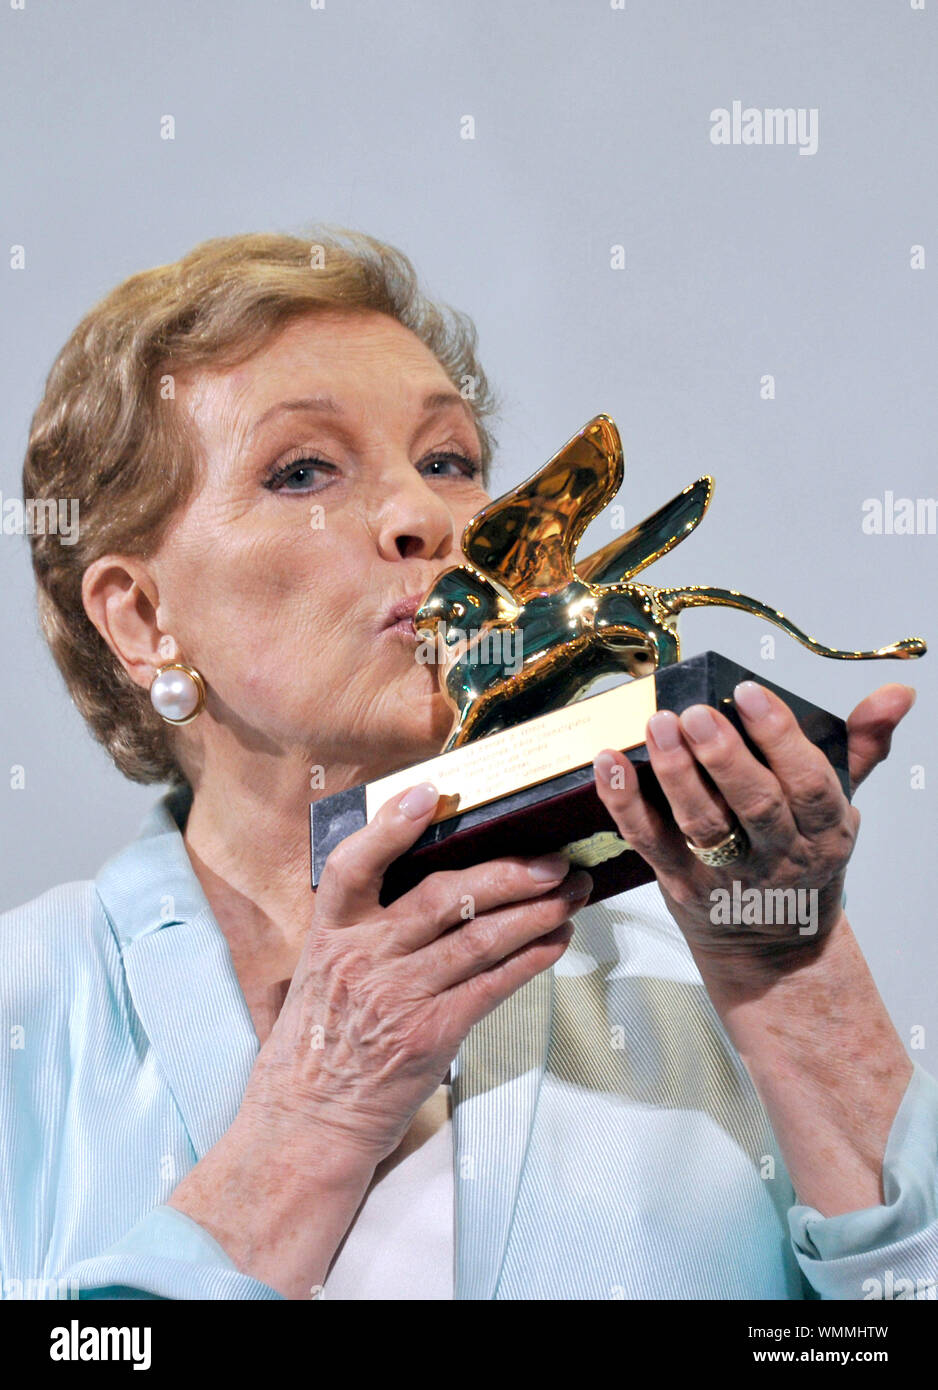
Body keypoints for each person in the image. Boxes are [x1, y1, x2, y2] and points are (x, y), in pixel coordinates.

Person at [2, 226, 935, 1301]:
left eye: (446, 461)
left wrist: (794, 991)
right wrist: (312, 1123)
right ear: (142, 615)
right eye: (301, 470)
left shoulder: (689, 972)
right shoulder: (28, 1000)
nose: (425, 519)